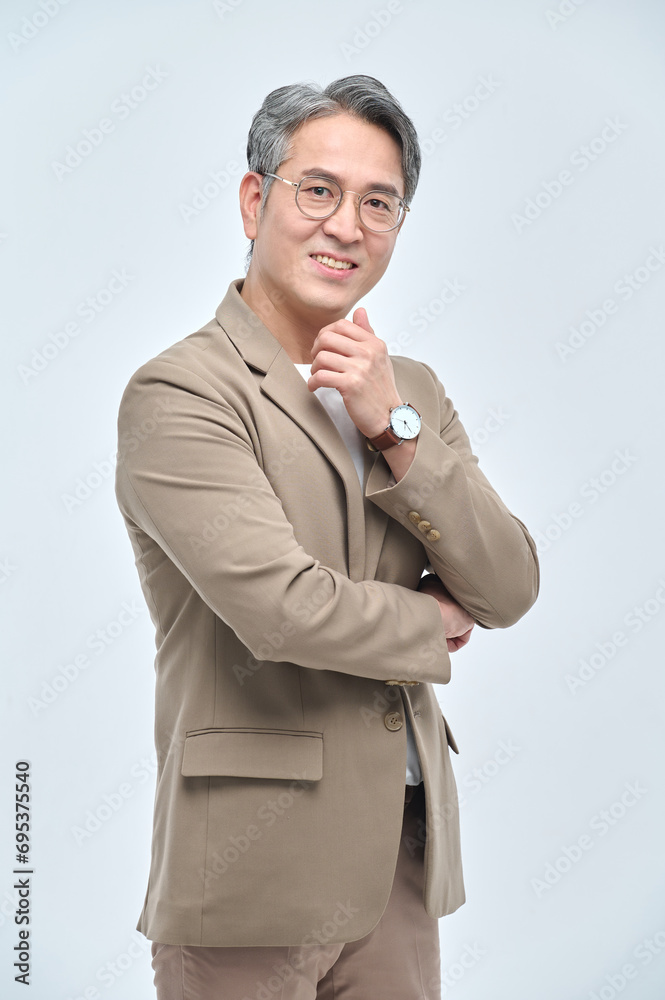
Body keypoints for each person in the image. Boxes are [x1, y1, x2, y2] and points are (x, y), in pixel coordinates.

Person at [114, 74, 539, 1000]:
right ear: (253, 200)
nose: (346, 225)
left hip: (399, 864)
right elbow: (279, 608)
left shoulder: (409, 389)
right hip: (248, 874)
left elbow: (508, 586)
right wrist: (433, 621)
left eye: (378, 203)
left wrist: (395, 430)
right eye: (318, 190)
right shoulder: (182, 392)